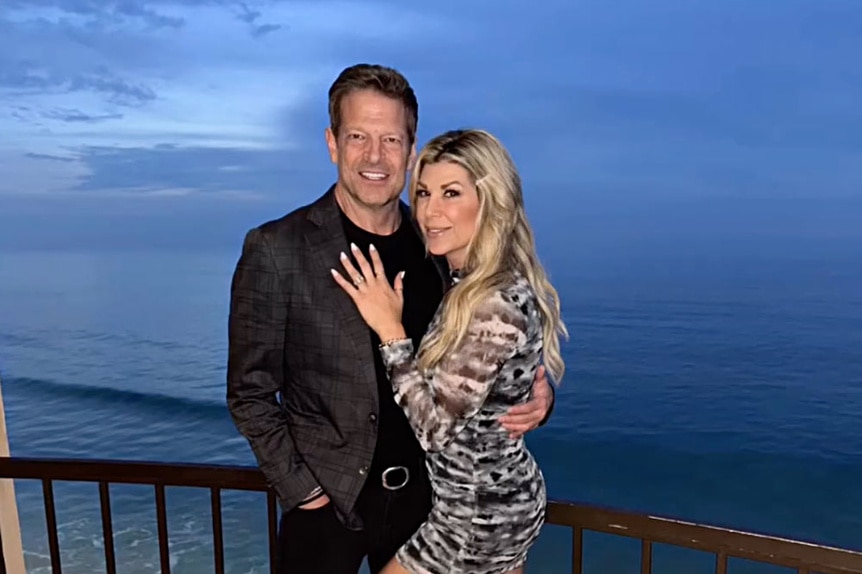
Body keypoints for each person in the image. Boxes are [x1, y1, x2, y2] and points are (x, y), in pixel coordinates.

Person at [226, 63, 557, 574]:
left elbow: (488, 342)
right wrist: (303, 491)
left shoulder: (438, 249)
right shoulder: (277, 249)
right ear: (333, 143)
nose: (375, 157)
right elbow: (249, 393)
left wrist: (536, 393)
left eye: (391, 139)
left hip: (426, 507)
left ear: (410, 149)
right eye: (358, 136)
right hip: (327, 510)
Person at [332, 128, 567, 574]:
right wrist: (537, 395)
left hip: (475, 517)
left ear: (490, 201)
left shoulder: (492, 300)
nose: (429, 211)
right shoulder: (469, 279)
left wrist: (389, 330)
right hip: (493, 503)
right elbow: (502, 379)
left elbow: (435, 430)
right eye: (422, 193)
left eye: (451, 193)